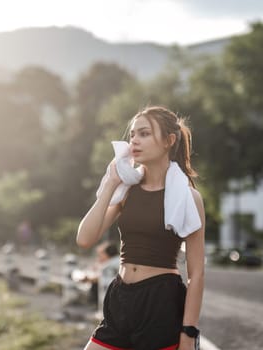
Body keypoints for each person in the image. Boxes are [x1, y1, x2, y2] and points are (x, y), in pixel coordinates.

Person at [77, 106, 206, 350]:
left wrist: (188, 333)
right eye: (133, 134)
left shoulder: (188, 197)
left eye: (144, 133)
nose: (134, 140)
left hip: (160, 302)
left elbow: (197, 273)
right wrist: (111, 184)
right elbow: (84, 238)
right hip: (121, 297)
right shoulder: (126, 191)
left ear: (169, 141)